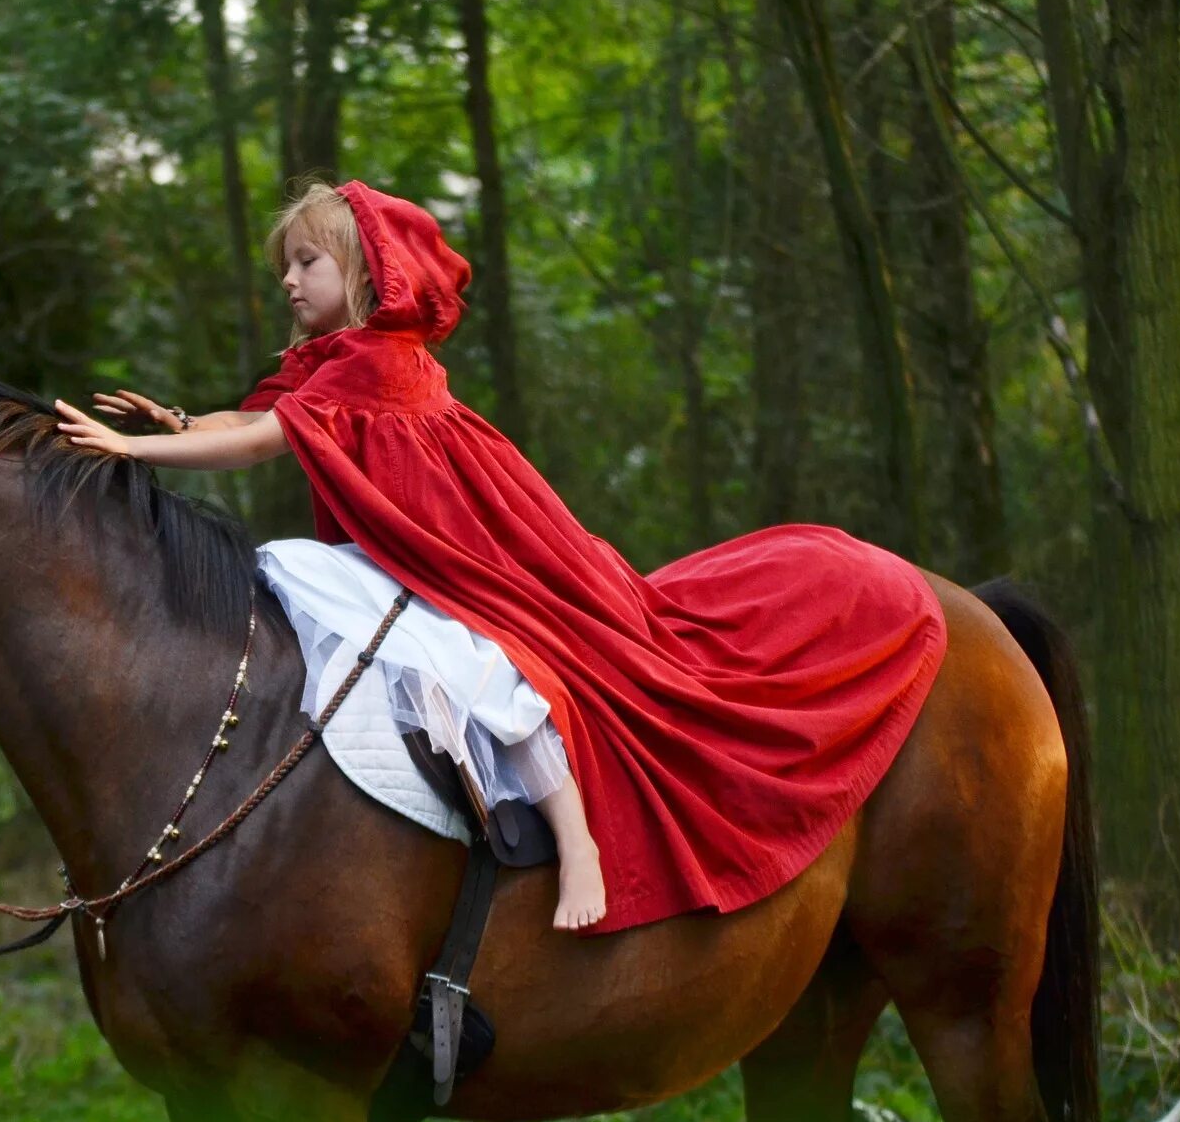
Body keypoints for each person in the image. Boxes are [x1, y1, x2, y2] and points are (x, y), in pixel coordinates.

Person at [55, 179, 946, 939]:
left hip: (471, 548)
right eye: (286, 264)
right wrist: (176, 424)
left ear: (361, 272)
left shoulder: (373, 360)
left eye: (307, 264)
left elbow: (258, 446)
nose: (289, 279)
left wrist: (132, 455)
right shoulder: (330, 360)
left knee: (491, 665)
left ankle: (581, 844)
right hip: (414, 547)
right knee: (418, 660)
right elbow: (252, 420)